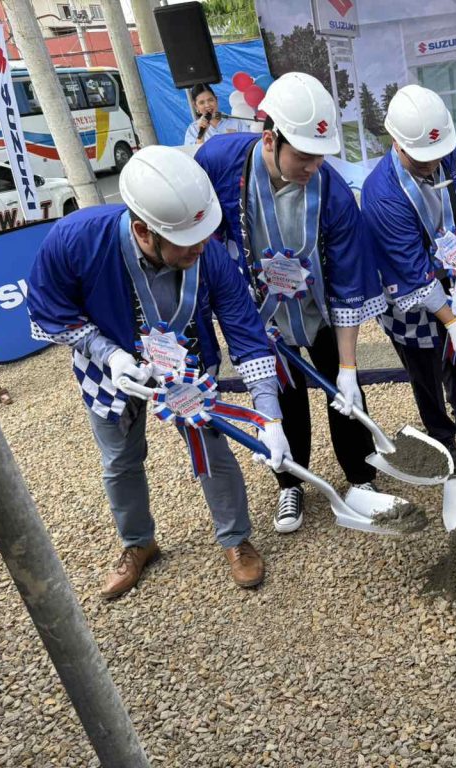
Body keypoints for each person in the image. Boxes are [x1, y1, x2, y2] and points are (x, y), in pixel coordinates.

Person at [26, 146, 292, 598]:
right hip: (110, 369)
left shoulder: (207, 253)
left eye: (203, 236)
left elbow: (246, 334)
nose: (201, 247)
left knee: (213, 449)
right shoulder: (75, 239)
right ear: (142, 231)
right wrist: (109, 354)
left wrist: (269, 417)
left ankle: (235, 538)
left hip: (188, 364)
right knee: (119, 460)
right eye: (187, 241)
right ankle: (137, 542)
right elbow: (49, 309)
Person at [195, 72, 385, 533]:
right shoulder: (219, 161)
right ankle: (290, 483)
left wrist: (348, 368)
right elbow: (203, 232)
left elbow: (347, 282)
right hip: (260, 313)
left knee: (343, 395)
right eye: (303, 156)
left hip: (319, 310)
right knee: (285, 396)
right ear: (269, 140)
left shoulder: (334, 194)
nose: (313, 167)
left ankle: (361, 476)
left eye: (320, 157)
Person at [361, 84, 456, 476]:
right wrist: (451, 321)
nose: (432, 162)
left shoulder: (448, 156)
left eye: (437, 154)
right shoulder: (381, 196)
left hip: (451, 273)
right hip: (406, 291)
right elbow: (412, 273)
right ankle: (441, 435)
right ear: (396, 142)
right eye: (421, 156)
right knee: (424, 364)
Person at [184, 84, 249, 146]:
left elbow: (249, 145)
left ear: (216, 100)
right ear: (196, 106)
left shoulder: (236, 122)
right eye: (202, 102)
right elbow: (191, 153)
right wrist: (201, 134)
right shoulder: (193, 129)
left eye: (210, 100)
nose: (207, 105)